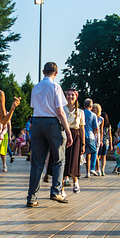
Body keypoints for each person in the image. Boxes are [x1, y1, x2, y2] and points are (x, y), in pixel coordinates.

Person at [26, 62, 73, 207]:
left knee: (37, 163)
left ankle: (32, 198)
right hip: (52, 123)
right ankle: (56, 191)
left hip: (37, 123)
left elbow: (34, 106)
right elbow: (60, 112)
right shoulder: (55, 87)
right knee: (59, 159)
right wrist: (68, 131)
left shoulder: (36, 87)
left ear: (43, 72)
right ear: (56, 73)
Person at [63, 88, 85, 193]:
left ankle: (75, 181)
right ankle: (61, 188)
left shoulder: (80, 112)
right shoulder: (62, 109)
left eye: (72, 95)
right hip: (63, 135)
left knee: (74, 160)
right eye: (68, 95)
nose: (70, 97)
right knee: (63, 160)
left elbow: (82, 129)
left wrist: (83, 144)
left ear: (76, 97)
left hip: (76, 136)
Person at [83, 98, 99, 177]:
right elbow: (96, 128)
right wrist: (94, 134)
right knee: (94, 151)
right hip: (89, 135)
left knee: (80, 152)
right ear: (91, 106)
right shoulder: (93, 115)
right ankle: (92, 168)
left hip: (81, 135)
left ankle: (76, 171)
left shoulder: (81, 112)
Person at [98, 111, 113, 177]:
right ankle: (103, 170)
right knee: (104, 156)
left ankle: (97, 168)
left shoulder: (99, 123)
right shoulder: (108, 125)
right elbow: (110, 135)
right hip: (106, 141)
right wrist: (111, 144)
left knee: (98, 156)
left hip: (99, 141)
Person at [92, 103, 105, 175]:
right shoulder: (90, 116)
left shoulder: (101, 119)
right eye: (93, 107)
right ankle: (92, 168)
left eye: (95, 108)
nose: (93, 109)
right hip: (90, 134)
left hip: (97, 136)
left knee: (96, 153)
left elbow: (101, 130)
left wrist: (101, 140)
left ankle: (98, 169)